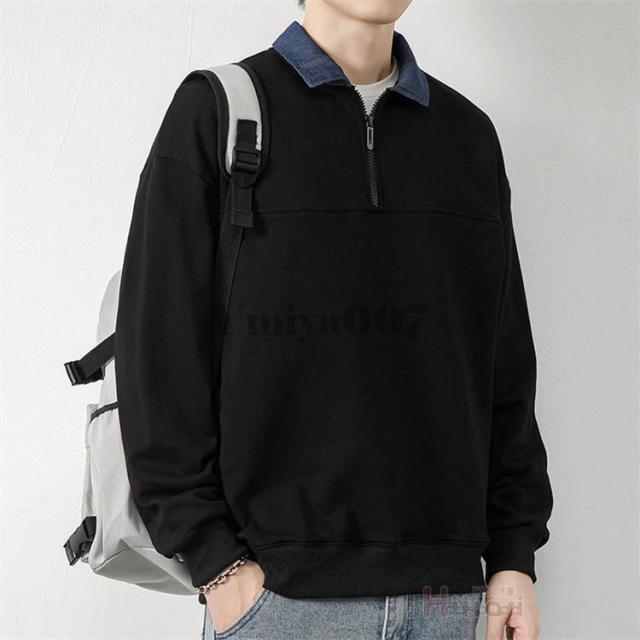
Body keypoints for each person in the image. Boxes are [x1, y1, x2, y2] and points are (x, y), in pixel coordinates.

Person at [114, 0, 553, 638]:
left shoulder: (467, 135)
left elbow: (502, 360)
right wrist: (215, 563)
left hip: (448, 597)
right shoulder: (220, 112)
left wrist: (514, 557)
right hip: (280, 602)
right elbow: (158, 354)